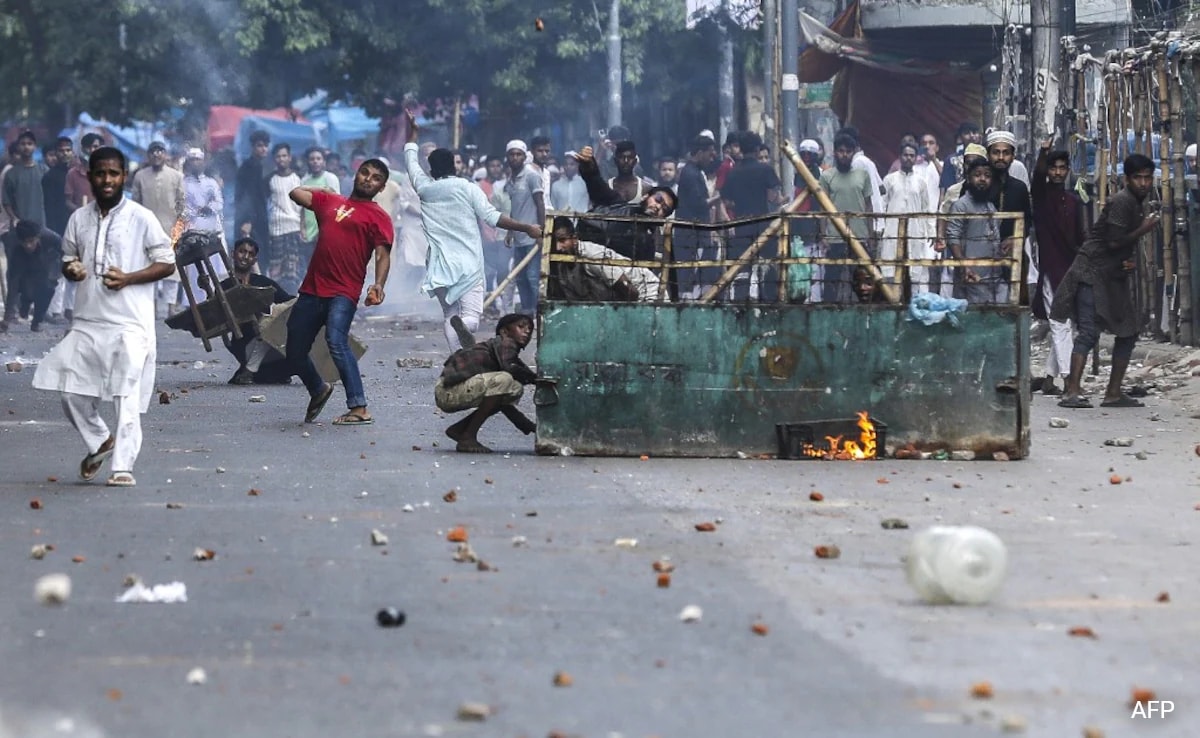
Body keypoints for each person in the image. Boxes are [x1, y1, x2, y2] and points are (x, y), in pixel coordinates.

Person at [32, 147, 177, 488]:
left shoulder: (141, 217)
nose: (107, 180)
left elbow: (167, 263)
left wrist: (129, 278)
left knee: (125, 395)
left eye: (113, 173)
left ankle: (122, 466)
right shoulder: (78, 219)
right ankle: (99, 440)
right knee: (70, 391)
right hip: (87, 321)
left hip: (130, 323)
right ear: (90, 177)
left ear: (124, 177)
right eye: (100, 173)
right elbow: (68, 259)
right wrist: (72, 269)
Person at [403, 112, 544, 351]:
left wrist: (413, 134)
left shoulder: (425, 188)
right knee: (471, 319)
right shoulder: (468, 188)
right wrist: (526, 227)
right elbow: (493, 217)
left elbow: (411, 162)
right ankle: (465, 329)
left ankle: (457, 358)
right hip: (467, 264)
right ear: (454, 167)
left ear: (432, 170)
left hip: (438, 265)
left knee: (450, 315)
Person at [286, 157, 393, 426]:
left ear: (381, 188)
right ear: (356, 174)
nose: (368, 179)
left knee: (336, 340)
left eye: (376, 178)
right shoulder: (330, 201)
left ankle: (359, 407)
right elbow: (295, 193)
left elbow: (382, 255)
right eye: (365, 173)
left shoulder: (379, 216)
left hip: (344, 292)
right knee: (294, 351)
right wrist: (324, 190)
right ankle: (318, 388)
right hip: (312, 289)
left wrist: (379, 284)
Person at [1052, 154, 1160, 410]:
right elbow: (1112, 242)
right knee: (1089, 332)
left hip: (1111, 275)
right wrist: (1144, 229)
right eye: (1138, 178)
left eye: (1147, 178)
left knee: (1128, 331)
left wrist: (1127, 261)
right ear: (1127, 179)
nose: (1143, 183)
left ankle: (1113, 392)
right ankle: (1072, 391)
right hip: (1092, 272)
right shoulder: (1122, 201)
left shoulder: (1135, 202)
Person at [435, 312, 538, 453]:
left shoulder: (498, 350)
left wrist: (527, 425)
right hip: (448, 391)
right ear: (504, 331)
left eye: (530, 329)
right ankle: (468, 437)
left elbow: (501, 402)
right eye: (521, 327)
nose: (527, 332)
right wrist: (536, 380)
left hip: (449, 391)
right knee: (505, 379)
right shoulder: (506, 342)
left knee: (513, 388)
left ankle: (459, 430)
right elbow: (511, 368)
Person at [1031, 141, 1086, 396]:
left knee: (1064, 325)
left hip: (1070, 268)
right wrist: (1043, 152)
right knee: (1060, 323)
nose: (1057, 172)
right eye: (1053, 168)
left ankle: (1049, 379)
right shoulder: (1041, 197)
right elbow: (1037, 177)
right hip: (1051, 270)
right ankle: (1069, 379)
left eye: (1062, 168)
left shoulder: (1073, 201)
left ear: (1067, 171)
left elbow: (1079, 236)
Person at [199, 237, 293, 385]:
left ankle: (265, 372)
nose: (245, 257)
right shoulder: (224, 287)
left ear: (254, 260)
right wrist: (206, 289)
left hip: (270, 344)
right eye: (242, 252)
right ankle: (249, 370)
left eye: (250, 254)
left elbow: (288, 300)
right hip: (243, 345)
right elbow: (213, 315)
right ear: (233, 254)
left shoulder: (263, 282)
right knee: (268, 330)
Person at [574, 145, 677, 262]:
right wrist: (589, 165)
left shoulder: (648, 244)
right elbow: (597, 185)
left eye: (664, 209)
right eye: (658, 200)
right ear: (645, 196)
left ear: (662, 218)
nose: (658, 207)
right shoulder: (617, 204)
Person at [720, 131, 782, 300]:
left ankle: (741, 305)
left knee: (741, 271)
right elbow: (773, 196)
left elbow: (727, 201)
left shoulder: (733, 173)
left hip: (741, 227)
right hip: (763, 226)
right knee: (767, 269)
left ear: (741, 148)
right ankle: (768, 305)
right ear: (757, 149)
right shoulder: (766, 169)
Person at [818, 132, 875, 303]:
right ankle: (828, 310)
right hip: (835, 236)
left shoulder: (862, 175)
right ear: (835, 152)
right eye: (841, 151)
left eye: (848, 151)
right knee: (831, 279)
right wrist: (824, 235)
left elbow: (868, 206)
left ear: (853, 152)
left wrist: (871, 234)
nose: (845, 155)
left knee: (861, 278)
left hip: (859, 235)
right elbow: (823, 208)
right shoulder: (826, 176)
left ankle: (863, 311)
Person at [547, 215, 658, 302]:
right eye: (553, 242)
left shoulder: (591, 256)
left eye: (562, 240)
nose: (558, 247)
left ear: (574, 238)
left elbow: (630, 291)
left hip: (647, 292)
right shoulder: (561, 264)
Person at [131, 141, 186, 316]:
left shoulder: (176, 176)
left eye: (160, 151)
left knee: (171, 269)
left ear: (165, 154)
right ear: (148, 156)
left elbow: (182, 204)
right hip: (146, 230)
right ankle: (152, 307)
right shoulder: (140, 176)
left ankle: (171, 307)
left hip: (170, 229)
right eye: (153, 151)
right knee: (149, 268)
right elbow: (135, 204)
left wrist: (179, 229)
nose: (156, 154)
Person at [945, 159, 1007, 304]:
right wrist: (964, 266)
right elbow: (952, 237)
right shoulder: (961, 206)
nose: (982, 179)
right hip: (971, 277)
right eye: (977, 175)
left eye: (987, 175)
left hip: (994, 277)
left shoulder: (990, 206)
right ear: (968, 178)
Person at [880, 142, 935, 292]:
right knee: (891, 271)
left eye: (912, 155)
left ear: (916, 158)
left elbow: (926, 209)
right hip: (892, 229)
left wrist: (931, 231)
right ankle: (892, 301)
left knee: (914, 273)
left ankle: (913, 302)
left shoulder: (921, 182)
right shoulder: (889, 180)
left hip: (915, 230)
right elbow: (882, 205)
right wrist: (880, 228)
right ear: (900, 157)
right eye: (905, 155)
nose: (908, 158)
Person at [503, 139, 545, 315]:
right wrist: (510, 232)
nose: (515, 157)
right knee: (521, 278)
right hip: (519, 238)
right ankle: (527, 312)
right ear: (507, 157)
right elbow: (514, 208)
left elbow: (540, 204)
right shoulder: (511, 179)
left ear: (524, 156)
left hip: (532, 237)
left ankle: (539, 313)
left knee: (533, 277)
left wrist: (541, 233)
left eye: (518, 154)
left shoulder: (531, 176)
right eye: (512, 154)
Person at [673, 135, 719, 299]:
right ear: (700, 153)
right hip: (690, 234)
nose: (712, 158)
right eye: (710, 154)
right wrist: (719, 197)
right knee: (689, 273)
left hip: (696, 232)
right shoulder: (690, 173)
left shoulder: (695, 172)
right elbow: (699, 204)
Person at [1, 220, 61, 332]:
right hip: (22, 263)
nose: (28, 245)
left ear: (38, 237)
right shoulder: (12, 242)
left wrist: (60, 271)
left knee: (47, 288)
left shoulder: (51, 237)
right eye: (24, 242)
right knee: (21, 287)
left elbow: (66, 251)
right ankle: (25, 304)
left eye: (31, 241)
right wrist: (6, 319)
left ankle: (37, 321)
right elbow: (13, 284)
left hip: (45, 263)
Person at [266, 143, 305, 293]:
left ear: (290, 157)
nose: (281, 159)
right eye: (278, 156)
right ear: (274, 159)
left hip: (294, 227)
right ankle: (275, 296)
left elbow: (303, 205)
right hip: (276, 228)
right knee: (276, 265)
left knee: (293, 265)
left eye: (284, 156)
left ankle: (292, 296)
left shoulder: (298, 178)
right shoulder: (269, 179)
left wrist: (302, 227)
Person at [3, 130, 47, 228]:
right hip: (21, 226)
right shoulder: (11, 174)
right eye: (23, 144)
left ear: (35, 146)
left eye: (29, 144)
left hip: (42, 224)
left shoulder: (44, 170)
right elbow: (6, 202)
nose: (26, 147)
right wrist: (14, 218)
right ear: (18, 147)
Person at [235, 129, 272, 247]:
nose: (263, 149)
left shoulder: (263, 166)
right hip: (250, 221)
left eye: (266, 146)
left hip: (261, 218)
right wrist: (247, 220)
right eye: (260, 146)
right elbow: (246, 196)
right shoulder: (248, 167)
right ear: (253, 147)